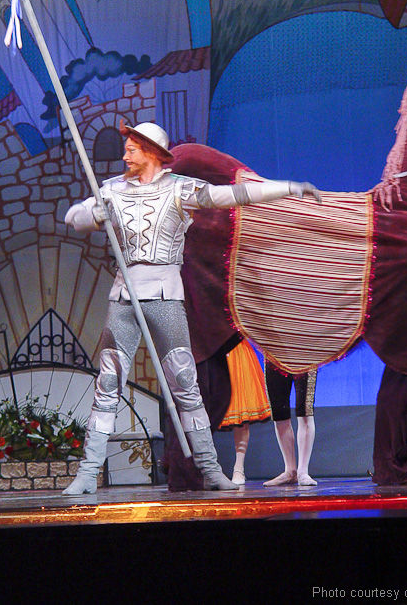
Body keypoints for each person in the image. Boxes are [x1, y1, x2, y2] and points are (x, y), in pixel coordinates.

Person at [61, 121, 320, 495]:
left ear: (151, 153)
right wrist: (89, 214)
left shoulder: (180, 189)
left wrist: (289, 188)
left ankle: (210, 470)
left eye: (132, 149)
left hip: (166, 297)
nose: (125, 155)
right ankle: (88, 472)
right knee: (108, 384)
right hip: (124, 299)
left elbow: (233, 195)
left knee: (186, 385)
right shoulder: (112, 190)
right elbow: (75, 219)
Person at [218, 339, 271, 485]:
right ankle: (208, 467)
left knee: (242, 411)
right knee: (206, 414)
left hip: (237, 349)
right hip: (212, 348)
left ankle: (239, 467)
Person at [263, 361, 318, 487]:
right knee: (279, 411)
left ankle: (303, 471)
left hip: (304, 354)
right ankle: (290, 470)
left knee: (305, 409)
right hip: (274, 355)